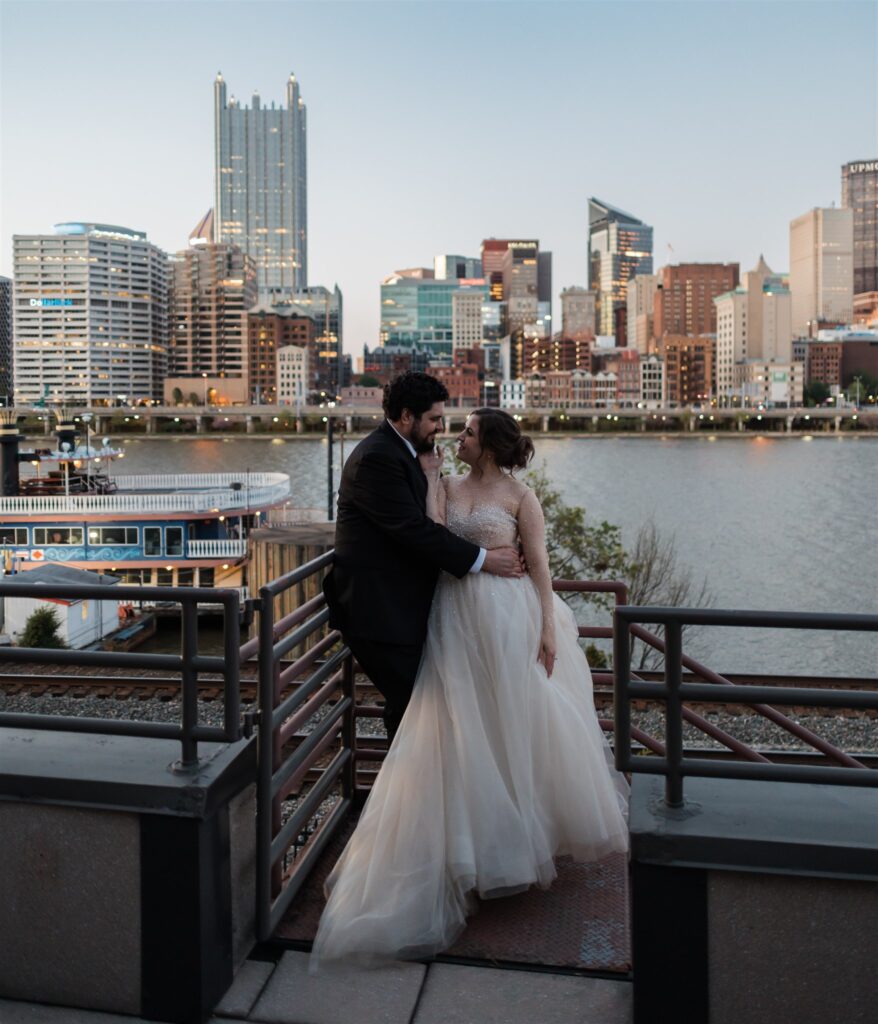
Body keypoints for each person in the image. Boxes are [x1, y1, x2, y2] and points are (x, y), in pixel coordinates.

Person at [311, 408, 629, 967]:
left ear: (489, 444)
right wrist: (432, 477)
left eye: (468, 432)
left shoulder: (520, 498)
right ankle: (469, 854)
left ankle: (516, 847)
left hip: (510, 622)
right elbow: (433, 536)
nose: (457, 436)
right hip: (454, 618)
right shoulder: (447, 484)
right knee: (460, 729)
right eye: (455, 429)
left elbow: (541, 568)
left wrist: (549, 631)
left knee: (514, 727)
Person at [322, 372, 524, 742]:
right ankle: (406, 794)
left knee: (413, 707)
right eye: (433, 419)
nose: (441, 427)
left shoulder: (405, 452)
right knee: (417, 706)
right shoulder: (377, 459)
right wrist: (486, 559)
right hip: (378, 611)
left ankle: (411, 794)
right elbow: (414, 531)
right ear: (405, 416)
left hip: (403, 605)